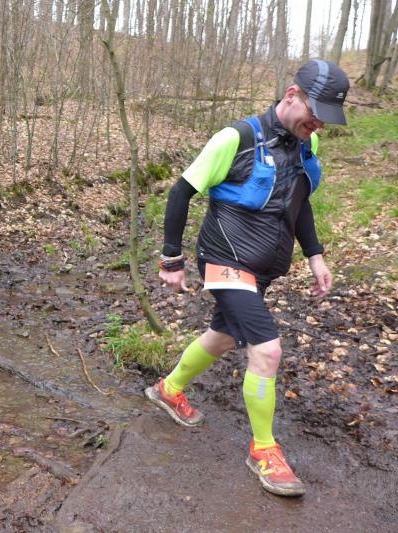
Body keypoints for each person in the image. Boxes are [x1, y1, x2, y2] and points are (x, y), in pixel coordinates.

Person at [146, 59, 349, 497]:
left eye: (325, 120)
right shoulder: (236, 138)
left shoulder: (306, 143)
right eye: (314, 114)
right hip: (224, 257)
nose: (318, 125)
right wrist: (171, 259)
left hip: (262, 268)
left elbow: (300, 203)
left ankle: (168, 389)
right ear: (291, 95)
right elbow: (181, 192)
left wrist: (315, 256)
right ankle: (264, 450)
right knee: (267, 350)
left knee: (222, 336)